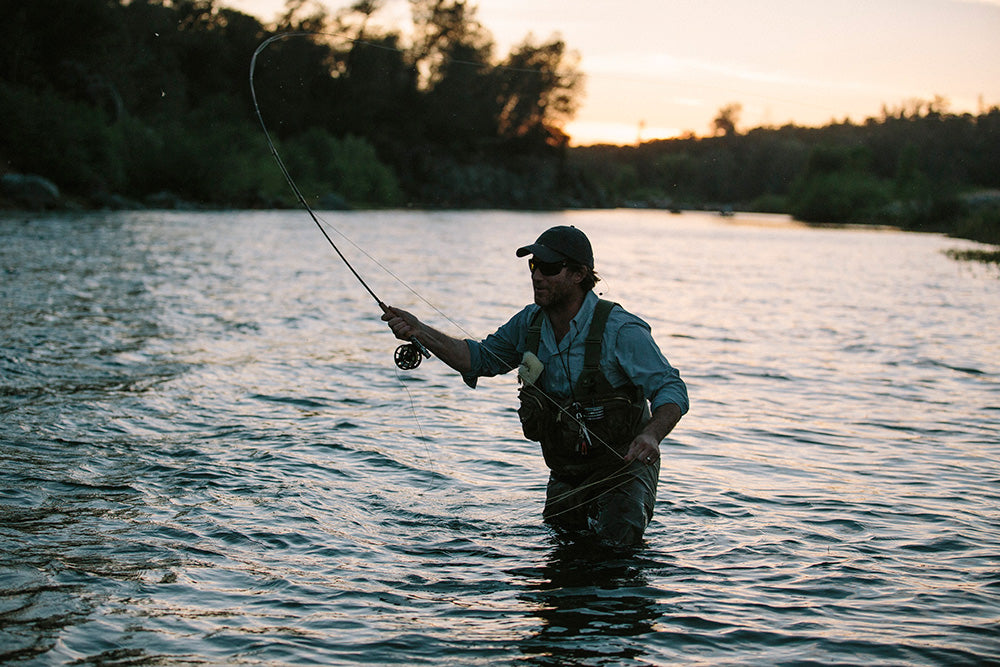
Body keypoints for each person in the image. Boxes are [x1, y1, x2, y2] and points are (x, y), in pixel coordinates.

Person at [382, 225, 689, 545]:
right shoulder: (528, 323)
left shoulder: (621, 329)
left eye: (550, 268)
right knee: (561, 558)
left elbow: (671, 389)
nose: (537, 275)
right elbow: (477, 360)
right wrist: (419, 330)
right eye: (533, 265)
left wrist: (652, 435)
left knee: (616, 552)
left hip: (624, 472)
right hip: (566, 475)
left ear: (579, 274)